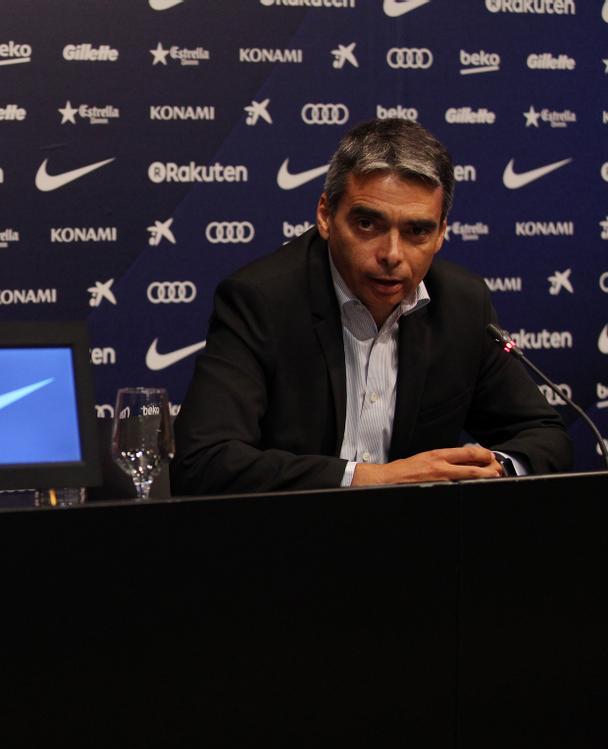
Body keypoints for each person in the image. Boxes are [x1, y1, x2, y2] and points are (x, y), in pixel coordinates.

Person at [171, 118, 571, 495]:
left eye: (417, 231)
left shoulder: (463, 305)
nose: (392, 254)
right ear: (326, 215)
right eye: (368, 224)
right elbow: (203, 460)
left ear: (442, 233)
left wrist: (488, 469)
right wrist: (370, 478)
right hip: (293, 544)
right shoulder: (261, 300)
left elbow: (545, 436)